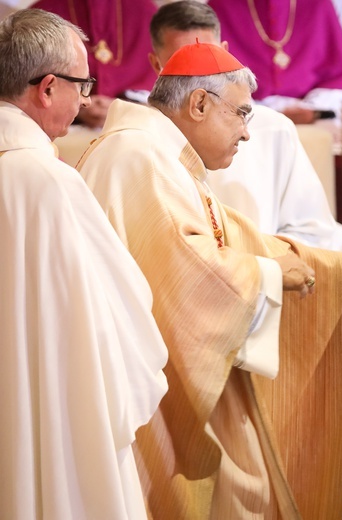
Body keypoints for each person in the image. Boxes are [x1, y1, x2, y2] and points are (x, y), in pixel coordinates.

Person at [77, 41, 342, 519]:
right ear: (199, 104)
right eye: (240, 114)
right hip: (154, 387)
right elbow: (188, 272)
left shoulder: (160, 156)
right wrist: (270, 274)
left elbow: (238, 241)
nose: (247, 133)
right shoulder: (139, 159)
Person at [0, 9, 168, 518]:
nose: (88, 98)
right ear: (47, 88)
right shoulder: (49, 182)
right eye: (81, 83)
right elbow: (121, 311)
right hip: (55, 411)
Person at [207, 0, 342, 127]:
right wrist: (263, 113)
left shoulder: (318, 4)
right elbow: (214, 81)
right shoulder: (222, 5)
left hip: (313, 120)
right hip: (248, 122)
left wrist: (311, 109)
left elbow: (339, 76)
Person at [29, 0, 159, 127]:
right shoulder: (41, 13)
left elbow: (161, 89)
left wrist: (123, 108)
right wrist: (75, 106)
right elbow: (25, 88)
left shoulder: (145, 11)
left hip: (132, 129)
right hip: (62, 133)